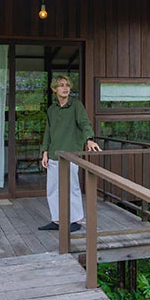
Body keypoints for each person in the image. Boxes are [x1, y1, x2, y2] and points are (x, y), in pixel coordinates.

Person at [39, 75, 101, 232]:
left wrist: (89, 139)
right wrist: (45, 152)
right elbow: (48, 132)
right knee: (52, 189)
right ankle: (57, 220)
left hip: (71, 155)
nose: (65, 88)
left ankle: (76, 221)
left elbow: (85, 123)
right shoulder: (51, 110)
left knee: (72, 188)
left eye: (67, 85)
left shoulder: (76, 106)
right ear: (54, 89)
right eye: (61, 85)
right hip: (54, 154)